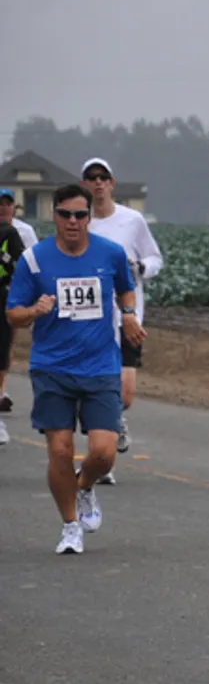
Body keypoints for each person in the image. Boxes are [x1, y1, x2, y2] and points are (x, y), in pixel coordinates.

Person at [3, 184, 141, 553]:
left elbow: (126, 289)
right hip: (52, 367)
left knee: (103, 453)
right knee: (61, 452)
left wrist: (128, 315)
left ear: (89, 217)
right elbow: (13, 313)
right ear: (55, 216)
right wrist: (34, 311)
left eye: (81, 215)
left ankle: (84, 488)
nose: (73, 221)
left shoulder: (111, 254)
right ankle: (70, 527)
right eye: (65, 214)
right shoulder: (34, 259)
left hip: (100, 366)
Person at [78, 159, 162, 455]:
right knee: (97, 386)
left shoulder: (132, 220)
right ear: (84, 184)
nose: (98, 182)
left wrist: (139, 267)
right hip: (90, 318)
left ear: (112, 183)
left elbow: (155, 259)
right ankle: (102, 453)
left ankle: (114, 419)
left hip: (127, 316)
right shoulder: (80, 222)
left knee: (125, 394)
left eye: (103, 177)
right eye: (92, 177)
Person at [0, 187, 37, 438]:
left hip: (8, 296)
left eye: (7, 203)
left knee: (5, 346)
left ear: (14, 207)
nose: (3, 207)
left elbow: (31, 263)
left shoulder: (20, 232)